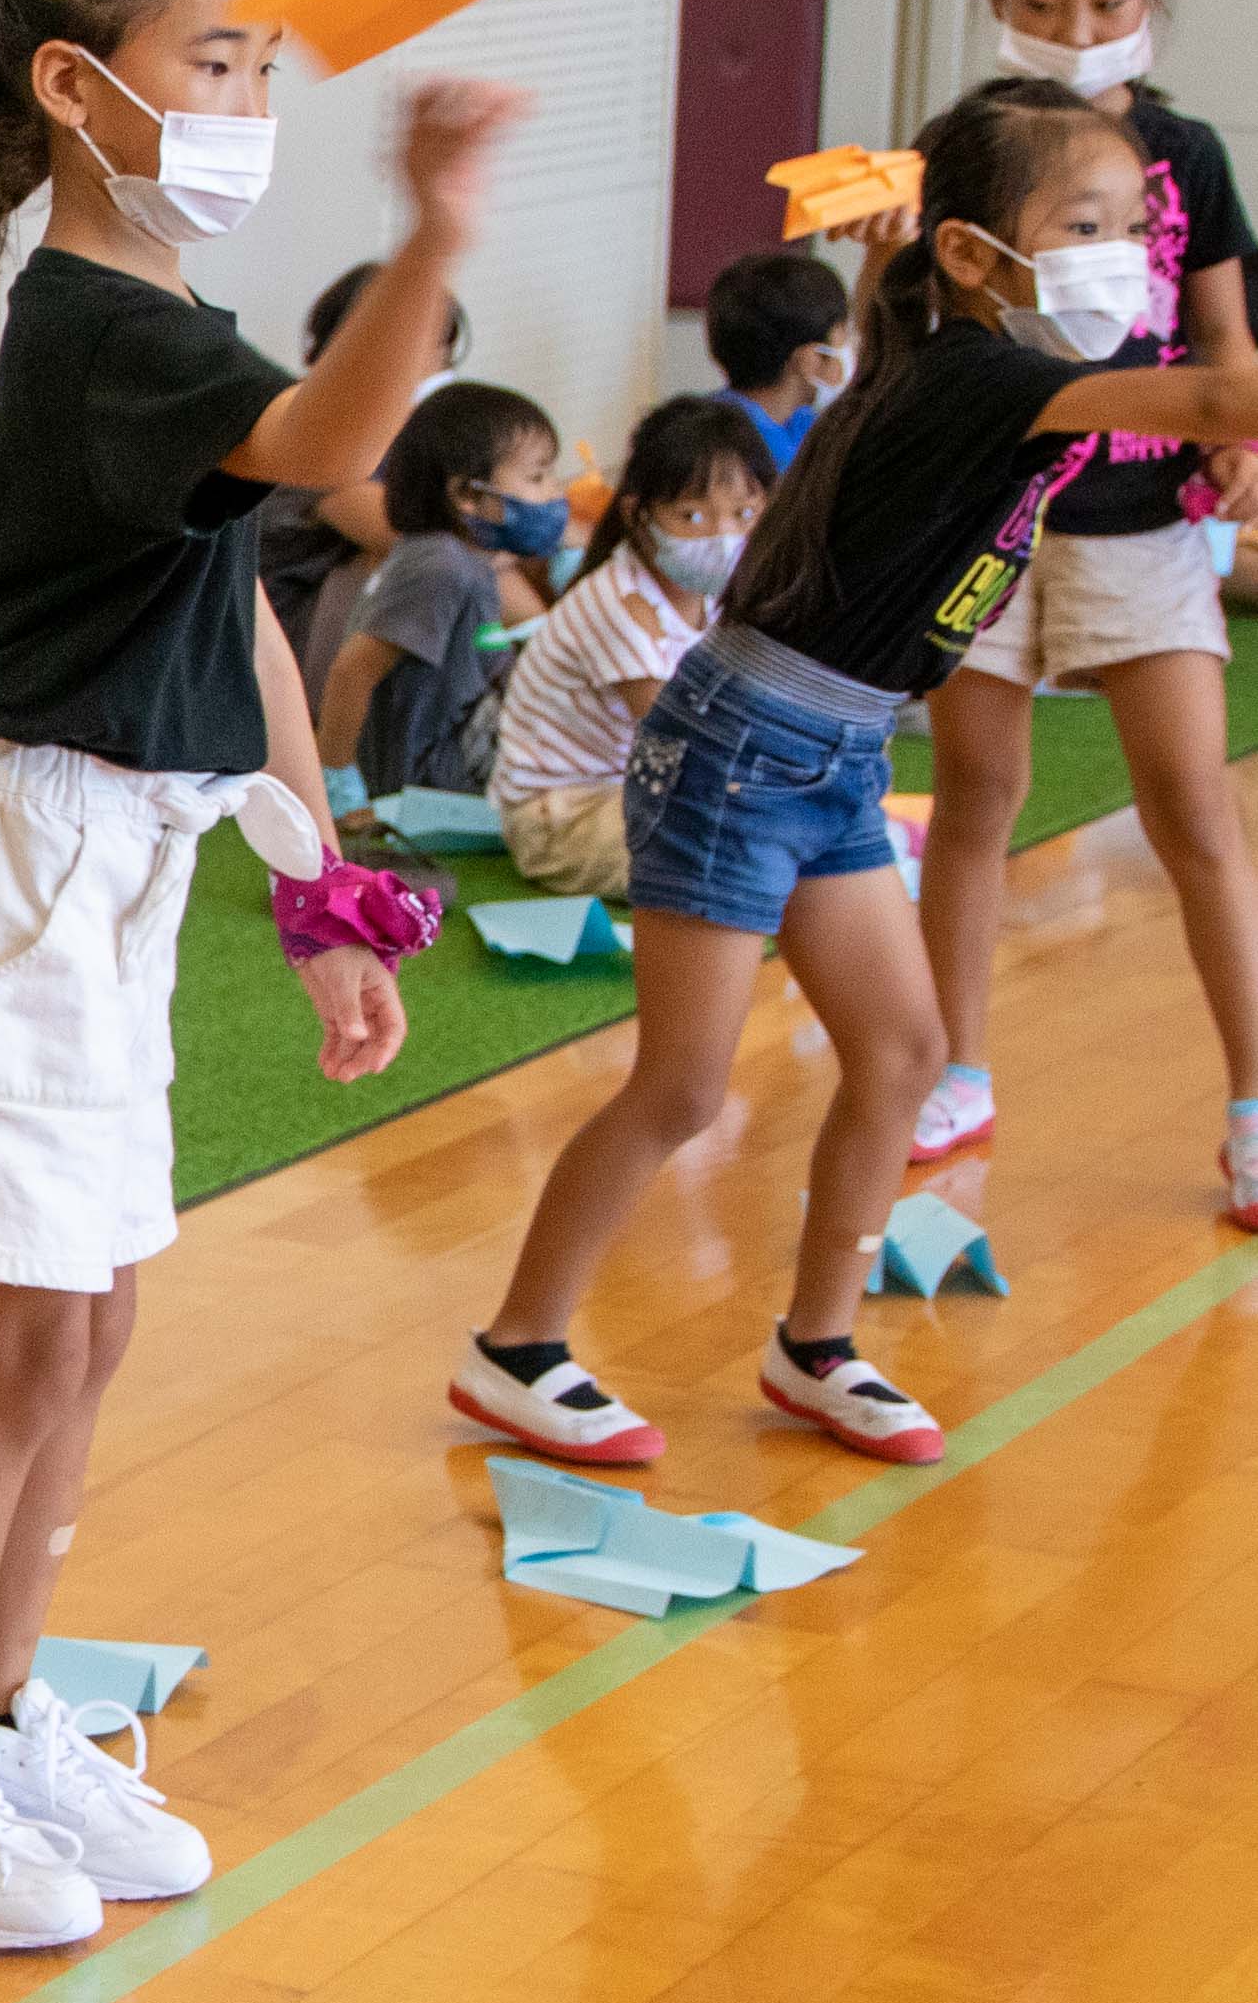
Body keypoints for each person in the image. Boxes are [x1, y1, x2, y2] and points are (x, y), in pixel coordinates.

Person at [0, 0, 501, 1956]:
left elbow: (253, 633)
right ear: (72, 87)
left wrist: (318, 891)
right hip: (10, 869)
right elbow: (335, 449)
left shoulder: (162, 310)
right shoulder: (99, 324)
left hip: (115, 863)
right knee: (12, 1348)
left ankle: (2, 1712)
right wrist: (432, 234)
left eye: (261, 62)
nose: (246, 105)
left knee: (91, 1330)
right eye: (209, 60)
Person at [450, 79, 1258, 1475]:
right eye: (1085, 224)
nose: (1126, 257)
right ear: (968, 253)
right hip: (737, 753)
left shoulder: (975, 368)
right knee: (682, 1088)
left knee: (898, 1053)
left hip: (829, 753)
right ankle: (513, 1346)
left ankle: (813, 1345)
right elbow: (1213, 392)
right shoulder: (984, 374)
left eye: (1137, 227)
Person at [909, 0, 1258, 1195]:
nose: (1071, 33)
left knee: (1191, 813)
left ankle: (1246, 1106)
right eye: (1041, 3)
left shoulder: (1185, 154)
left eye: (1102, 4)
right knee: (973, 801)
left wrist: (1231, 442)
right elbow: (927, 338)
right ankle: (953, 1070)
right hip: (992, 519)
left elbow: (1222, 339)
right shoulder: (962, 148)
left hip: (1142, 526)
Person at [491, 397, 772, 896]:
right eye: (691, 516)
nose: (723, 536)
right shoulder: (619, 603)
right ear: (638, 514)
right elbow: (678, 736)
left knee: (777, 833)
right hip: (560, 819)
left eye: (745, 513)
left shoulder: (712, 595)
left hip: (627, 792)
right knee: (746, 849)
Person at [314, 379, 564, 801]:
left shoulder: (468, 559)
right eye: (536, 477)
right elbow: (352, 672)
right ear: (468, 493)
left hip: (454, 760)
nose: (554, 493)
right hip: (430, 781)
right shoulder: (440, 564)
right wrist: (335, 783)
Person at [258, 259, 472, 680]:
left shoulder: (401, 429)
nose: (440, 371)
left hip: (339, 615)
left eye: (446, 351)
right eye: (426, 347)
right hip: (289, 639)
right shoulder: (316, 429)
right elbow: (404, 533)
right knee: (435, 559)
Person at [704, 246, 854, 476]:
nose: (851, 354)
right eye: (842, 341)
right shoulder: (740, 455)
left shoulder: (802, 423)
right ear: (812, 361)